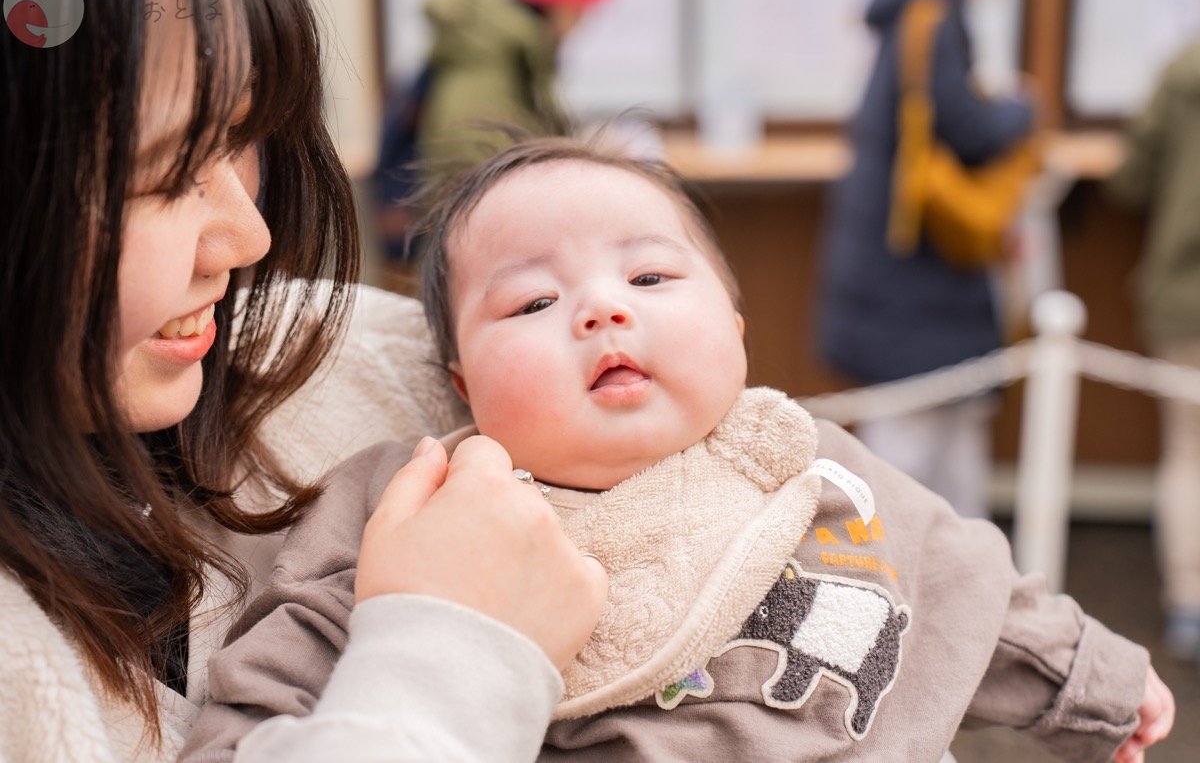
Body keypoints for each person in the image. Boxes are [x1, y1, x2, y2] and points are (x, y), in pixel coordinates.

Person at [183, 136, 1173, 763]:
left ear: (737, 327)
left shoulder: (807, 459)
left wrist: (1093, 686)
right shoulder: (420, 499)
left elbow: (963, 591)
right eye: (532, 301)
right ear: (459, 381)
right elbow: (287, 669)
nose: (604, 307)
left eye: (652, 277)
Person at [0, 0, 606, 760]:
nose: (249, 237)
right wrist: (453, 659)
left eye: (243, 136)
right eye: (164, 174)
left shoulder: (356, 359)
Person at [816, 0, 1035, 519]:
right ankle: (898, 572)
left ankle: (941, 570)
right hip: (916, 262)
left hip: (899, 254)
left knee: (937, 423)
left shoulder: (913, 7)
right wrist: (1020, 109)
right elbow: (964, 127)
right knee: (913, 434)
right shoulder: (934, 10)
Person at [373, 0, 614, 262]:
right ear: (565, 3)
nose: (580, 26)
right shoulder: (491, 63)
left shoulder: (508, 52)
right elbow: (471, 174)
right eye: (582, 12)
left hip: (474, 247)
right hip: (473, 254)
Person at [1106, 37, 1200, 664]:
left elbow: (1131, 182)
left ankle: (1191, 602)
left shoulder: (1185, 69)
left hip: (1186, 293)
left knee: (1189, 452)